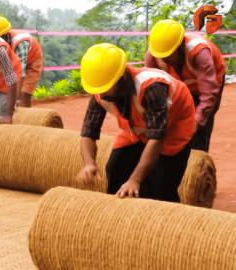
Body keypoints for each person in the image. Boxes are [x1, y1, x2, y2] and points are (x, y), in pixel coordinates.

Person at [78, 43, 195, 202]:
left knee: (160, 186)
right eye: (98, 88)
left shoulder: (151, 87)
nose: (101, 92)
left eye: (105, 87)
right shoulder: (100, 91)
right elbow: (88, 132)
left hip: (173, 127)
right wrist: (89, 163)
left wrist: (135, 180)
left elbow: (156, 138)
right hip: (136, 128)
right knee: (115, 169)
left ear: (121, 76)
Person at [145, 19, 226, 151]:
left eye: (168, 55)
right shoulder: (155, 54)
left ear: (180, 46)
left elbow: (209, 93)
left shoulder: (200, 53)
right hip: (182, 84)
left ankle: (197, 157)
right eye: (161, 56)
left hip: (210, 82)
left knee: (200, 127)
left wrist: (197, 121)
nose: (164, 59)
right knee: (174, 123)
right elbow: (150, 87)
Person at [0, 16, 44, 107]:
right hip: (12, 62)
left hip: (32, 62)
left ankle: (26, 118)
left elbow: (21, 74)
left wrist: (15, 99)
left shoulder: (20, 42)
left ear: (6, 35)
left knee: (24, 94)